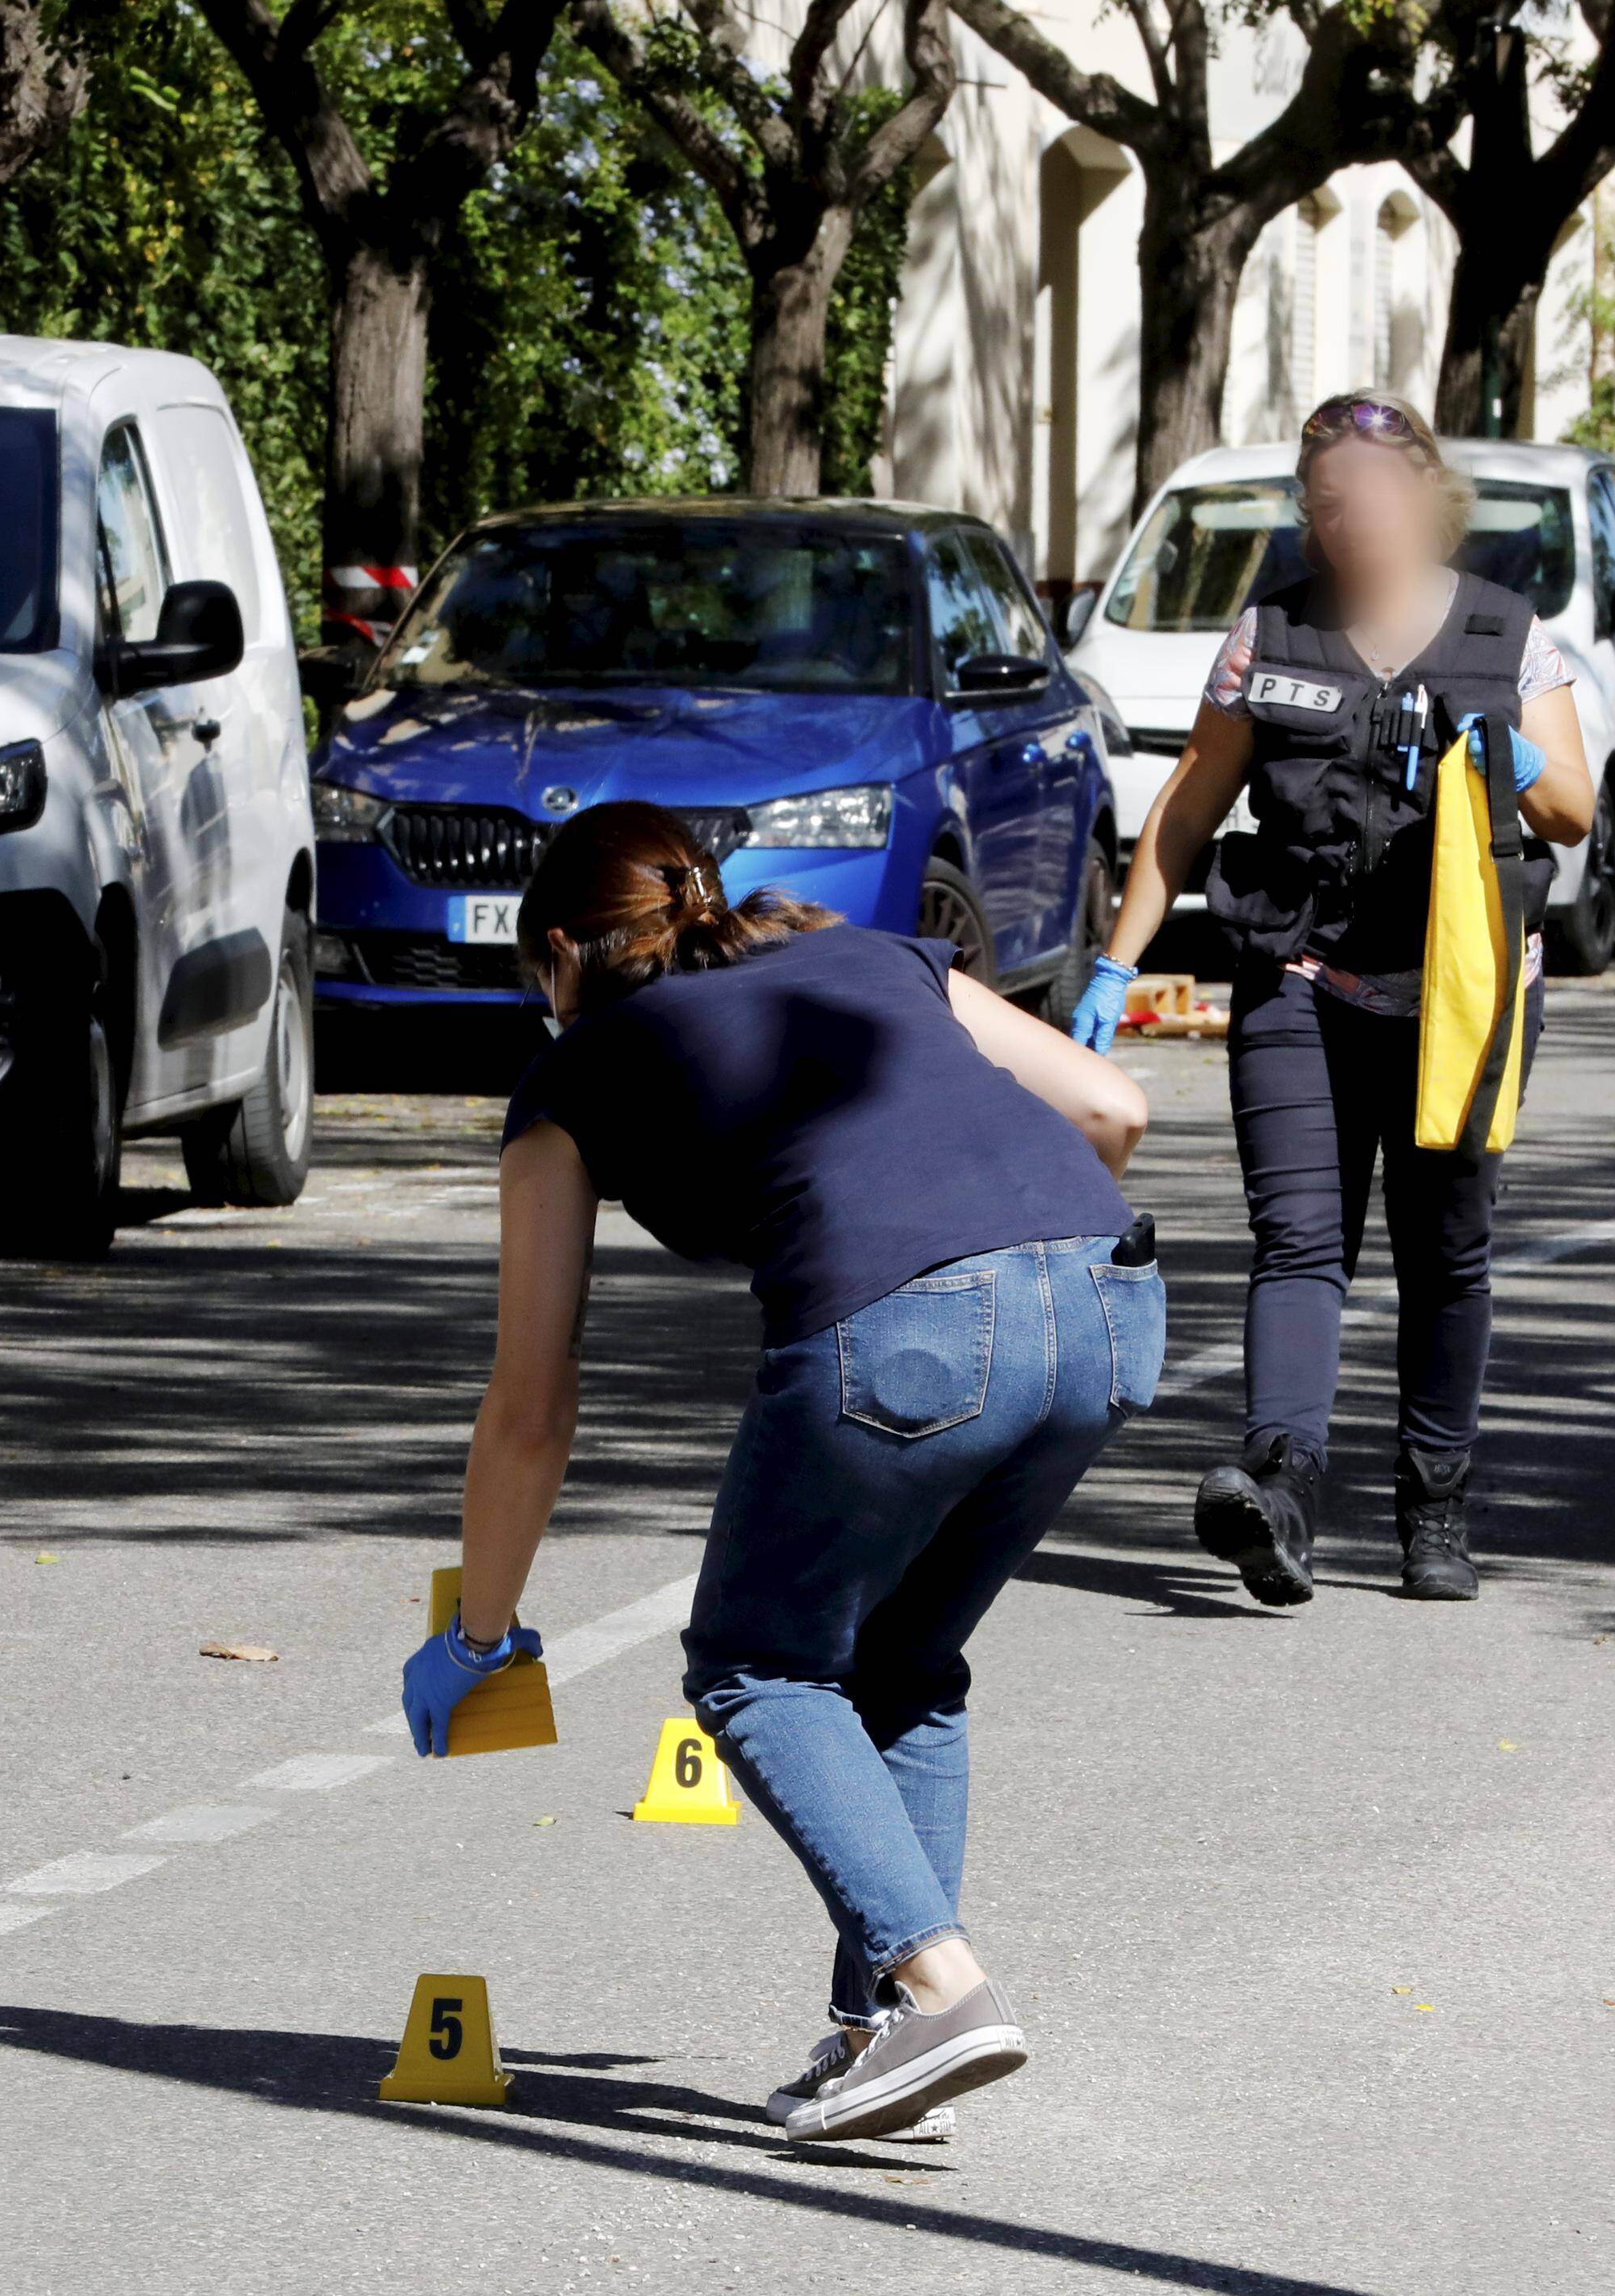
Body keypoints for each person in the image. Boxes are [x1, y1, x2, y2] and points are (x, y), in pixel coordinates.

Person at [399, 802, 1162, 2147]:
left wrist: (480, 1634)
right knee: (903, 1668)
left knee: (755, 1664)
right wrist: (1018, 1252)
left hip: (912, 1328)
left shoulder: (578, 1072)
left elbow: (531, 1403)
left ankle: (941, 1990)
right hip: (1113, 1300)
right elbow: (1112, 1105)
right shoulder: (876, 957)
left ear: (566, 957)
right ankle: (887, 2031)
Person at [1063, 390, 1596, 1608]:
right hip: (1297, 972)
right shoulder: (1268, 636)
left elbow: (1573, 807)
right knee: (1300, 1240)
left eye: (1361, 499)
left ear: (1423, 497)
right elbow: (1191, 804)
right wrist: (1117, 961)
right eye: (1322, 507)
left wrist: (1512, 758)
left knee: (1445, 1253)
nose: (1341, 523)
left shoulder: (1510, 635)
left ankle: (1435, 1502)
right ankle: (1282, 1490)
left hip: (1459, 996)